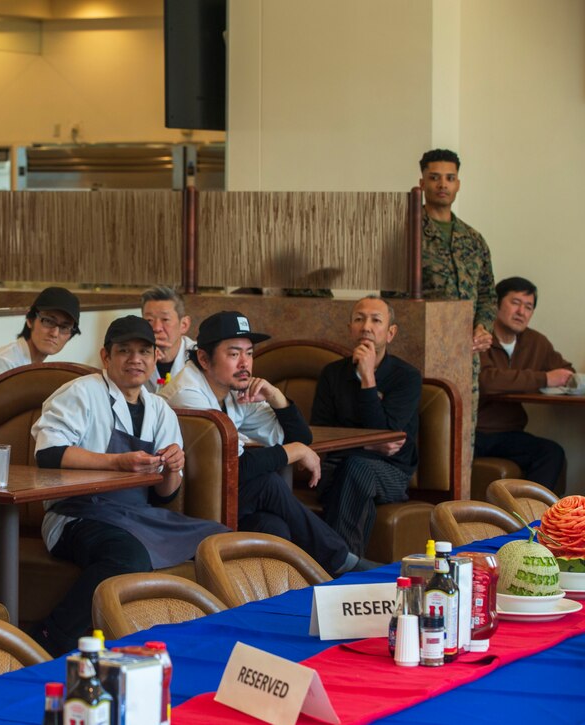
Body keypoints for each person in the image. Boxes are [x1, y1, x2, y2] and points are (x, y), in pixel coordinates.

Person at [29, 315, 229, 656]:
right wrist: (116, 463)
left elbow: (166, 496)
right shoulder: (82, 393)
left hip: (136, 515)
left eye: (144, 352)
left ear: (154, 359)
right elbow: (47, 454)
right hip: (77, 514)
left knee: (222, 543)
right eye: (124, 351)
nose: (135, 359)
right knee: (127, 556)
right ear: (106, 357)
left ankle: (202, 643)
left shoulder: (159, 409)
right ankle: (52, 636)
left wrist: (173, 468)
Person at [161, 310, 368, 575]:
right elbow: (235, 466)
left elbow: (299, 438)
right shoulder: (188, 394)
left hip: (219, 496)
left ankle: (294, 599)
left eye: (249, 353)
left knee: (273, 526)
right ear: (204, 358)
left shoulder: (232, 390)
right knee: (267, 484)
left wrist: (276, 396)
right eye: (234, 354)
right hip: (185, 502)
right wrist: (295, 451)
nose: (244, 363)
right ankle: (341, 562)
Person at [310, 296, 421, 555]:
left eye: (376, 320)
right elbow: (319, 432)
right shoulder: (332, 374)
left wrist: (368, 378)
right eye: (359, 319)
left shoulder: (407, 377)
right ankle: (348, 569)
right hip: (335, 467)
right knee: (354, 476)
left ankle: (334, 565)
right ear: (350, 328)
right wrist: (370, 444)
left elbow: (387, 434)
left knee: (356, 468)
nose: (366, 326)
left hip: (392, 473)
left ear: (390, 332)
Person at [416, 148, 495, 428]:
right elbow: (395, 299)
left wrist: (483, 326)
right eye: (435, 177)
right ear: (422, 182)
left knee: (463, 432)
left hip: (466, 354)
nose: (442, 184)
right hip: (423, 353)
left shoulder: (473, 239)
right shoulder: (408, 233)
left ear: (458, 184)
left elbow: (487, 293)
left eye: (450, 178)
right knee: (424, 433)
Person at [476, 277, 572, 494]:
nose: (522, 312)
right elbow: (487, 380)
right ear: (496, 305)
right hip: (475, 432)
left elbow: (566, 373)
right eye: (515, 303)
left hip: (508, 432)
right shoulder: (480, 337)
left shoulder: (536, 342)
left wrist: (565, 379)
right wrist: (544, 379)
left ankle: (532, 521)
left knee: (551, 452)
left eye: (528, 307)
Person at [0, 286, 80, 390]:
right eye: (49, 321)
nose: (54, 333)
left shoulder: (35, 366)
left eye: (65, 327)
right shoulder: (4, 363)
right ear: (30, 320)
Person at [141, 285, 195, 392]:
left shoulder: (198, 356)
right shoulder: (135, 357)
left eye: (165, 319)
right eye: (149, 320)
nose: (156, 328)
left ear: (184, 324)